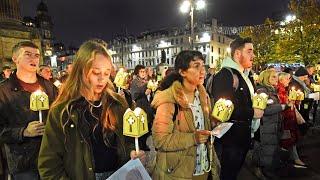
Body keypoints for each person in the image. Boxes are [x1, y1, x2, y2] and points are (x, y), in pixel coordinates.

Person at [38, 40, 145, 180]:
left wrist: (134, 153)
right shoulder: (62, 111)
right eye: (96, 72)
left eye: (107, 73)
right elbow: (49, 164)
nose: (102, 79)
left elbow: (129, 140)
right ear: (81, 70)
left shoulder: (118, 103)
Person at [151, 50, 219, 179]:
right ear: (182, 72)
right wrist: (193, 138)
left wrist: (215, 125)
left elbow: (205, 128)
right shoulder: (169, 100)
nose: (203, 70)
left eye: (203, 65)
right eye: (196, 66)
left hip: (203, 167)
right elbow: (160, 140)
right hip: (178, 172)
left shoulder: (203, 96)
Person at [0, 41, 57, 180]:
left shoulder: (49, 87)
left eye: (37, 55)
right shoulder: (3, 91)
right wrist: (23, 132)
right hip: (23, 164)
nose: (34, 59)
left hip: (52, 158)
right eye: (28, 55)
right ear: (15, 59)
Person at [210, 37, 264, 180]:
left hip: (243, 135)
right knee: (228, 175)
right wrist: (253, 112)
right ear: (238, 54)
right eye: (249, 51)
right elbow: (221, 109)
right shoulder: (225, 75)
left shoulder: (246, 74)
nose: (253, 56)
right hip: (231, 139)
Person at [253, 69, 287, 178]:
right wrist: (281, 107)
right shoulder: (262, 91)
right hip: (266, 127)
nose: (276, 79)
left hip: (273, 126)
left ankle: (268, 168)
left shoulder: (272, 90)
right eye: (273, 77)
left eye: (276, 76)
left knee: (271, 149)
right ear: (266, 78)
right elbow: (263, 110)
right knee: (266, 149)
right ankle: (264, 170)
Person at [277, 72, 306, 168]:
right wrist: (289, 103)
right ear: (281, 80)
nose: (289, 81)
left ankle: (290, 158)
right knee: (288, 139)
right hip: (285, 119)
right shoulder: (279, 90)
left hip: (289, 117)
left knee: (289, 139)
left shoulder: (285, 89)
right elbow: (282, 105)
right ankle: (292, 159)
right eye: (287, 78)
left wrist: (296, 100)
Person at [130, 65, 153, 151]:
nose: (143, 73)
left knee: (147, 125)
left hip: (146, 105)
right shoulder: (135, 82)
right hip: (139, 106)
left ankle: (144, 143)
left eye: (144, 71)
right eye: (141, 72)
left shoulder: (145, 81)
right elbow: (134, 94)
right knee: (141, 125)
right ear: (137, 73)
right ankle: (140, 144)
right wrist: (144, 92)